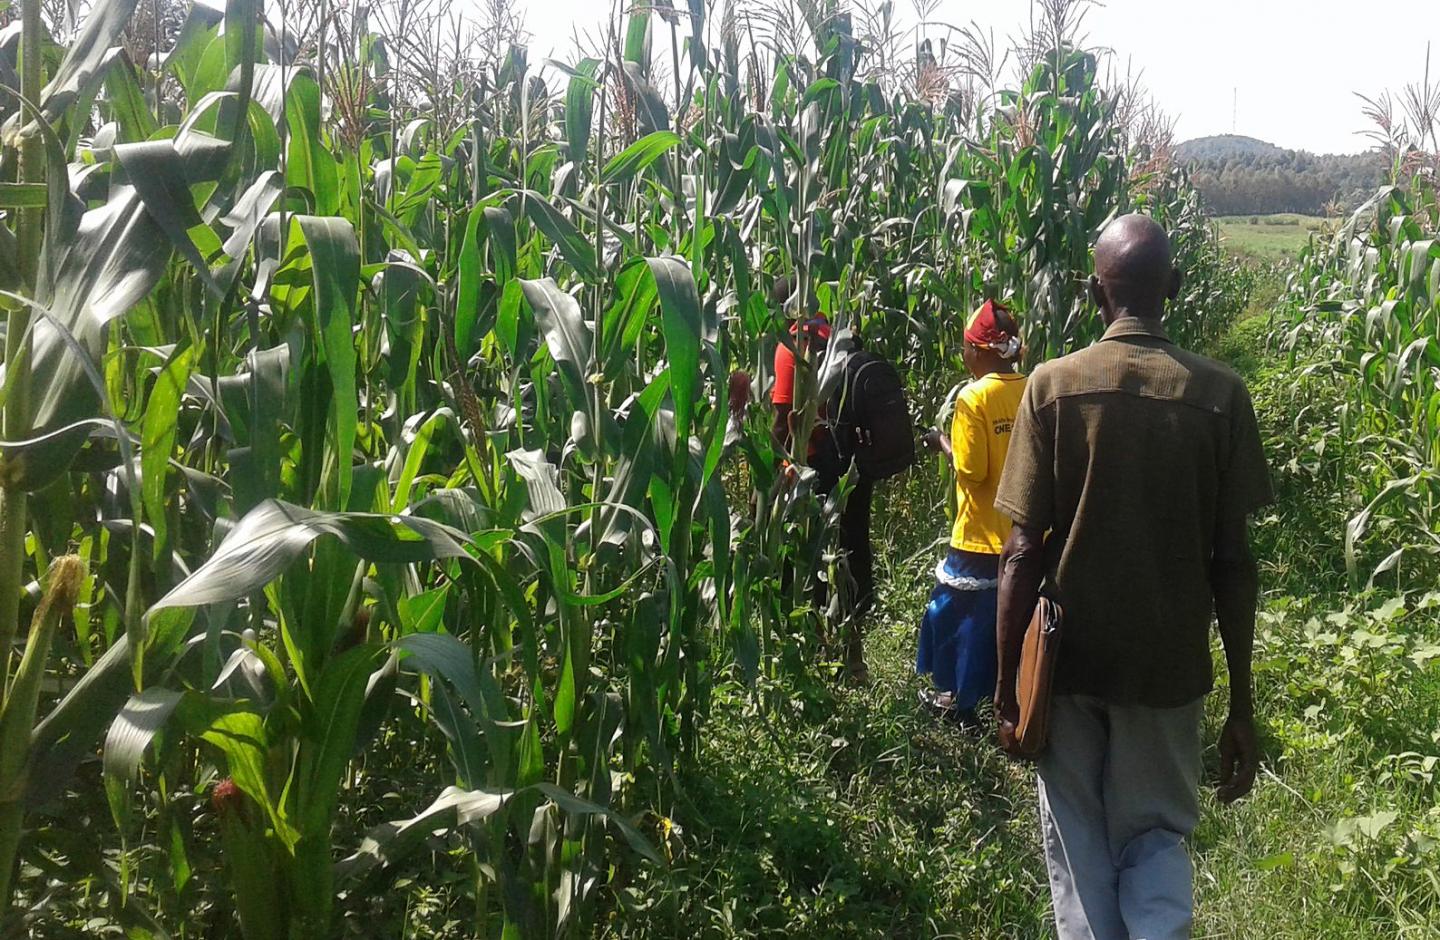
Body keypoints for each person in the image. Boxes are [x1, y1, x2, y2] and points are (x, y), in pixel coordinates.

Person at [992, 214, 1272, 940]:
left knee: (1080, 851)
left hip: (1069, 666)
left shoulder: (1052, 390)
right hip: (1169, 669)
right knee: (1152, 841)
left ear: (1094, 294)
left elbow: (1022, 551)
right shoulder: (1220, 396)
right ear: (1173, 288)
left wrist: (1003, 686)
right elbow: (1234, 564)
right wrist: (1242, 701)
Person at [916, 300, 1026, 732]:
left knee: (956, 616)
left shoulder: (974, 397)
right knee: (1007, 617)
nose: (963, 355)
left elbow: (972, 470)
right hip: (1022, 529)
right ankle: (1008, 696)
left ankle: (957, 700)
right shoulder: (1031, 386)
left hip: (980, 531)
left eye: (965, 347)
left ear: (979, 351)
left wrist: (941, 442)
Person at [769, 275, 870, 680]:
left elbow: (783, 420)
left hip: (812, 466)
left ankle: (805, 654)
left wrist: (772, 473)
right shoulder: (841, 337)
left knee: (802, 559)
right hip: (853, 463)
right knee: (844, 552)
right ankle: (850, 649)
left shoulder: (794, 346)